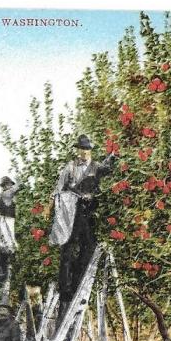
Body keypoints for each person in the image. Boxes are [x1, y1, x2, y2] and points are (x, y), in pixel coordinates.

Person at [47, 134, 116, 319]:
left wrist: (113, 156)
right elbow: (58, 190)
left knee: (88, 247)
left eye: (87, 150)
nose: (84, 153)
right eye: (82, 150)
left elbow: (108, 169)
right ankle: (65, 289)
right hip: (72, 211)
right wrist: (55, 210)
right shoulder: (70, 167)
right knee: (68, 248)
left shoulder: (95, 166)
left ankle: (77, 281)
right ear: (78, 150)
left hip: (89, 213)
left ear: (90, 150)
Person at [0, 176, 21, 283]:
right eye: (9, 184)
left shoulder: (3, 195)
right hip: (7, 221)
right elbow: (18, 187)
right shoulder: (6, 194)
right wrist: (20, 180)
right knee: (8, 245)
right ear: (6, 185)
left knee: (3, 246)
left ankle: (1, 272)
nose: (11, 186)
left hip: (6, 220)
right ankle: (3, 272)